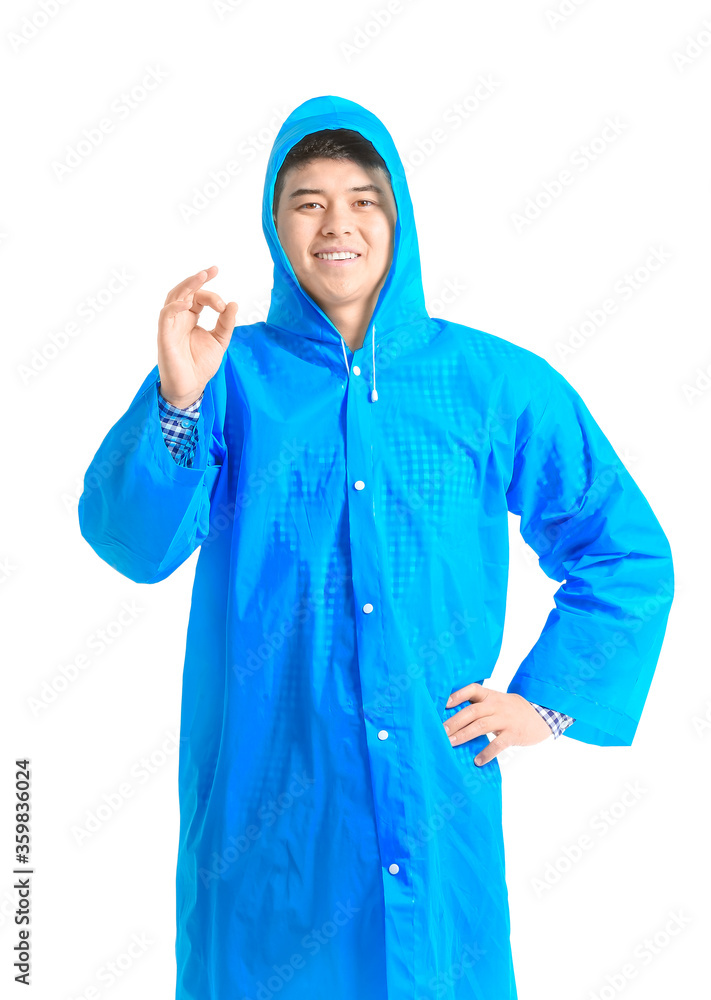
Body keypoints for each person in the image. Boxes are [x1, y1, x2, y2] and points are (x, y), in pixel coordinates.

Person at [77, 95, 674, 1000]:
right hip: (262, 802)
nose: (336, 224)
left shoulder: (491, 382)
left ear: (398, 216)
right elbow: (134, 543)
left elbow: (624, 553)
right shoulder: (225, 373)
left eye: (363, 198)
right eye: (306, 202)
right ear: (274, 227)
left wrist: (547, 702)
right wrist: (177, 398)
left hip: (429, 802)